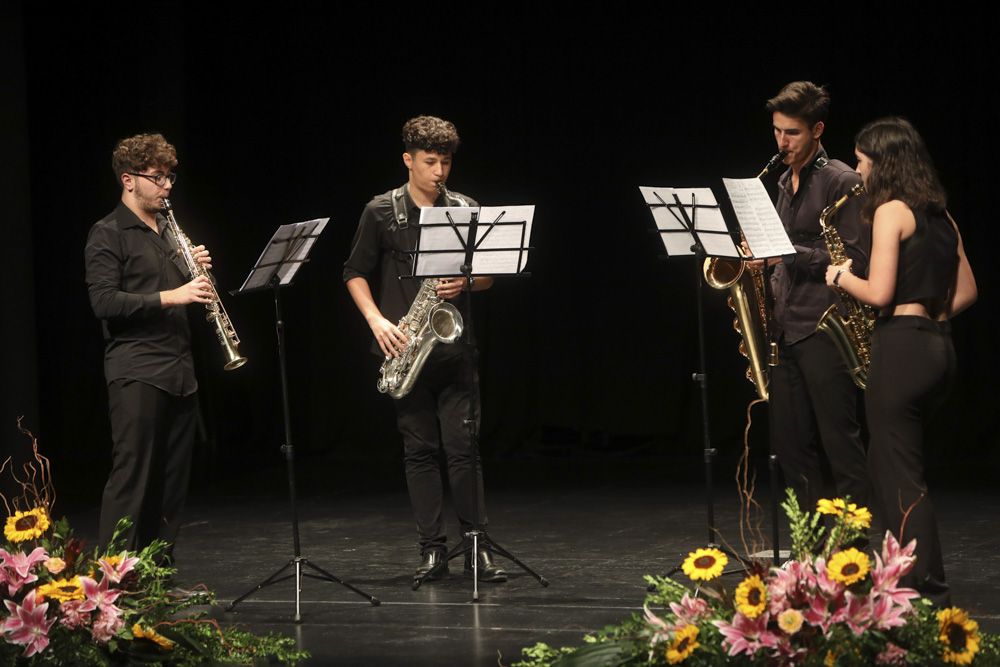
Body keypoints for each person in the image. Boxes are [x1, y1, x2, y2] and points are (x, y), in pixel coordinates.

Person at [343, 115, 506, 584]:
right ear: (408, 160)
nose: (440, 172)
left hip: (455, 349)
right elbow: (353, 271)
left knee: (464, 450)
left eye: (447, 162)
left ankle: (477, 548)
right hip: (404, 347)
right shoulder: (379, 211)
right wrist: (377, 321)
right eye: (430, 162)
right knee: (419, 452)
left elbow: (492, 274)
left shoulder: (464, 207)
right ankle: (432, 550)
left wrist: (470, 280)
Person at [826, 117, 976, 606]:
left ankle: (923, 592)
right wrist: (927, 313)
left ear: (884, 163)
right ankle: (900, 583)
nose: (859, 172)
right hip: (939, 348)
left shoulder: (891, 210)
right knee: (890, 465)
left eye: (864, 162)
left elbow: (880, 292)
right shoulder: (942, 215)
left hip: (903, 351)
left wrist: (841, 277)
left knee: (901, 477)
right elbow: (969, 292)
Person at [85, 133, 214, 558]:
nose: (167, 186)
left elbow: (184, 291)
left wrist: (194, 269)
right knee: (132, 479)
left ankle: (157, 574)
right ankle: (113, 582)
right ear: (128, 180)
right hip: (136, 369)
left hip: (179, 370)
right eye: (156, 178)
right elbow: (104, 301)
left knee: (171, 482)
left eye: (169, 177)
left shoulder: (169, 233)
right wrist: (173, 295)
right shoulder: (108, 233)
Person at [759, 81, 871, 512]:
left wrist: (784, 254)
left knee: (841, 444)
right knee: (791, 448)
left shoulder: (842, 180)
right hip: (786, 328)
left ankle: (854, 553)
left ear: (818, 129)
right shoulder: (784, 180)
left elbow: (855, 260)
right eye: (777, 131)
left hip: (826, 329)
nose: (782, 142)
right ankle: (813, 553)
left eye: (792, 133)